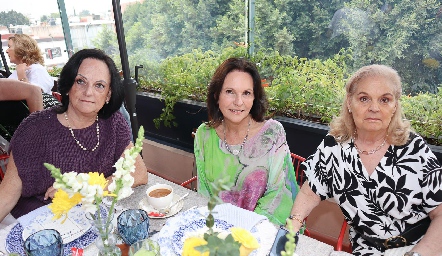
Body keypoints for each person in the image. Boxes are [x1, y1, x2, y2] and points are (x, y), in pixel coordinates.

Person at [287, 64, 442, 256]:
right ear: (350, 103)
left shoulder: (413, 148)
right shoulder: (334, 146)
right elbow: (311, 193)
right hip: (367, 250)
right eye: (364, 98)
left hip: (420, 247)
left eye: (384, 100)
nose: (374, 108)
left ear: (394, 106)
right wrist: (291, 228)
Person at [0, 49, 148, 222]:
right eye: (80, 82)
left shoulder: (112, 121)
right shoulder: (34, 128)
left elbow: (138, 173)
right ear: (69, 86)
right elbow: (6, 196)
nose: (88, 92)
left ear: (108, 95)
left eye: (99, 85)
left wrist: (82, 190)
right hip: (42, 222)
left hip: (94, 219)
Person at [194, 57, 299, 225]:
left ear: (254, 97)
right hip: (219, 229)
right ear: (216, 95)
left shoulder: (272, 133)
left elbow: (278, 194)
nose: (238, 102)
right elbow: (204, 193)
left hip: (262, 228)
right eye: (230, 91)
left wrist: (244, 230)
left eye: (246, 93)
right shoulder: (204, 135)